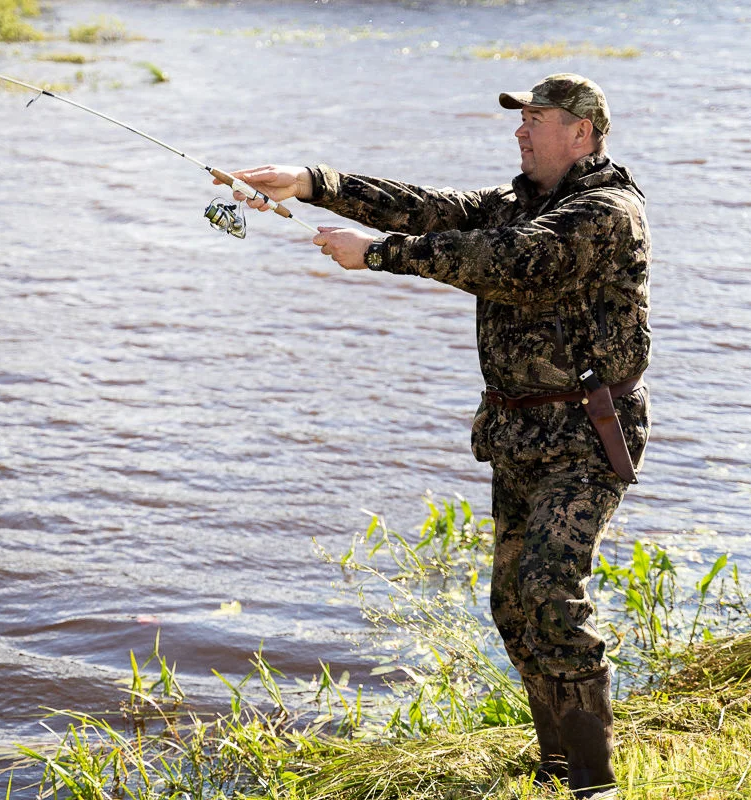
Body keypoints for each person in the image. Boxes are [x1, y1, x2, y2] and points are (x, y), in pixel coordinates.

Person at [218, 73, 649, 800]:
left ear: (582, 133)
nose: (520, 130)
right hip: (518, 431)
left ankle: (593, 784)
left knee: (549, 589)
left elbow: (511, 263)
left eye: (536, 119)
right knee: (513, 605)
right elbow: (427, 206)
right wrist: (312, 183)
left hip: (586, 433)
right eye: (521, 118)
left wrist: (378, 253)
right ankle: (555, 767)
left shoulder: (606, 210)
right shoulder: (516, 202)